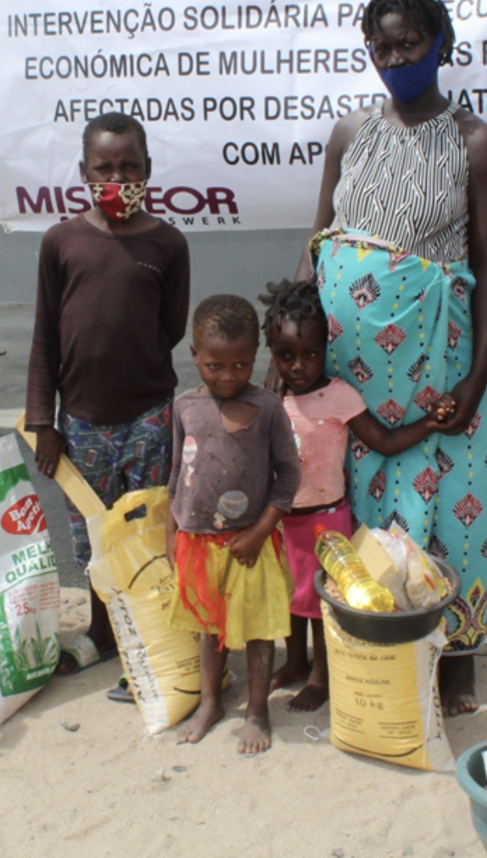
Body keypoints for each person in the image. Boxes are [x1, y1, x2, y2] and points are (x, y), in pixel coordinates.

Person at [300, 0, 487, 716]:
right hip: (352, 368)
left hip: (436, 365)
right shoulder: (350, 132)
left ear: (441, 44)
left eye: (408, 44)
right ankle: (371, 640)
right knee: (358, 499)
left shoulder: (473, 141)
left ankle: (456, 655)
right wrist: (290, 337)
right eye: (381, 47)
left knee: (453, 501)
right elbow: (320, 242)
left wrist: (477, 377)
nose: (394, 58)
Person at [26, 112, 190, 690]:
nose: (116, 178)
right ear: (82, 172)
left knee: (144, 536)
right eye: (104, 168)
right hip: (82, 425)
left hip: (149, 417)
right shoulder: (61, 242)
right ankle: (102, 631)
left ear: (148, 170)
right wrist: (43, 422)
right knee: (94, 538)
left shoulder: (167, 243)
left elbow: (169, 328)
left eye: (129, 167)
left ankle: (145, 635)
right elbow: (46, 336)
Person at [261, 279, 448, 711]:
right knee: (292, 597)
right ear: (271, 353)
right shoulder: (271, 401)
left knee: (325, 601)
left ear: (326, 347)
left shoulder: (339, 396)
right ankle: (293, 662)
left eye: (310, 354)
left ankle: (320, 676)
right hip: (282, 521)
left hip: (326, 524)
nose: (298, 366)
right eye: (286, 356)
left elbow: (382, 441)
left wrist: (430, 425)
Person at [168, 295, 300, 754]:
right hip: (199, 543)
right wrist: (174, 533)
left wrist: (260, 532)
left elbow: (289, 478)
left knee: (260, 630)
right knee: (209, 628)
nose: (228, 376)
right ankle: (210, 702)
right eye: (215, 366)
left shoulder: (268, 409)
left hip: (252, 543)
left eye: (241, 365)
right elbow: (176, 476)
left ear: (256, 356)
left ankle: (258, 710)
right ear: (194, 357)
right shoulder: (185, 407)